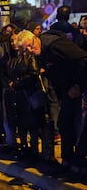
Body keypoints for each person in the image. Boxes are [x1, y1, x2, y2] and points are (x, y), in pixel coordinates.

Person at [16, 30, 87, 172]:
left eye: (30, 46)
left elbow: (83, 59)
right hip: (67, 91)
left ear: (35, 39)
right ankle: (68, 159)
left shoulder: (56, 46)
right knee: (64, 124)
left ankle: (78, 161)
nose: (30, 50)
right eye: (26, 50)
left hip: (79, 88)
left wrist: (79, 85)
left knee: (79, 126)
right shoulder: (42, 54)